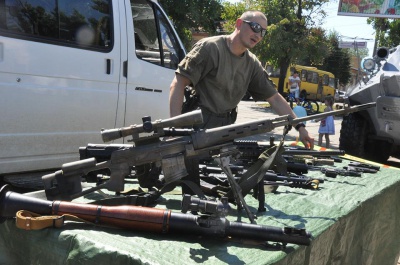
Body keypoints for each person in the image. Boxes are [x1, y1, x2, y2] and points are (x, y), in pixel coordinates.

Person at [168, 11, 314, 192]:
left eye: (263, 32)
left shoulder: (252, 64)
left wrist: (300, 127)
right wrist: (175, 130)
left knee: (220, 184)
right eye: (255, 27)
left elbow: (274, 98)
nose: (258, 35)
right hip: (197, 126)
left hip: (225, 131)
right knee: (187, 186)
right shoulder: (210, 48)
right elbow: (178, 83)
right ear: (238, 23)